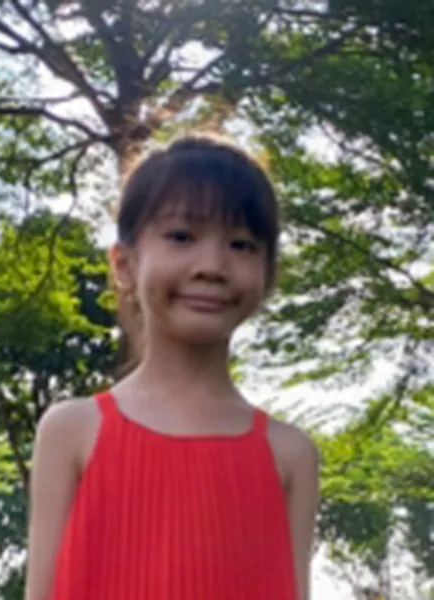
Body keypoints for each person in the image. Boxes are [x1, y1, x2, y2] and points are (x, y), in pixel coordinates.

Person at [24, 134, 320, 600]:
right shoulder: (72, 431)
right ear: (124, 265)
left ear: (267, 275)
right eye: (182, 236)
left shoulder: (290, 454)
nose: (212, 266)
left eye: (242, 244)